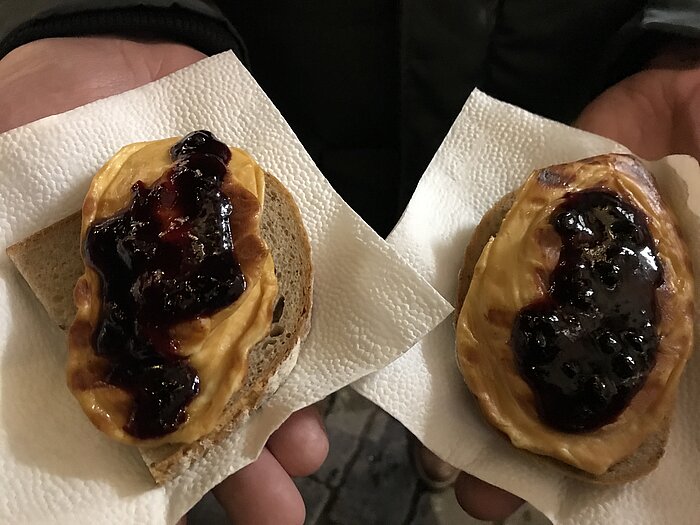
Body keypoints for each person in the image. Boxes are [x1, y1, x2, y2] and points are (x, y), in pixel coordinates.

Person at [1, 2, 698, 524]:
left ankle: (429, 438)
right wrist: (108, 12)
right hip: (287, 97)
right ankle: (377, 410)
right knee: (330, 339)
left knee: (423, 379)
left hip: (560, 88)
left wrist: (681, 35)